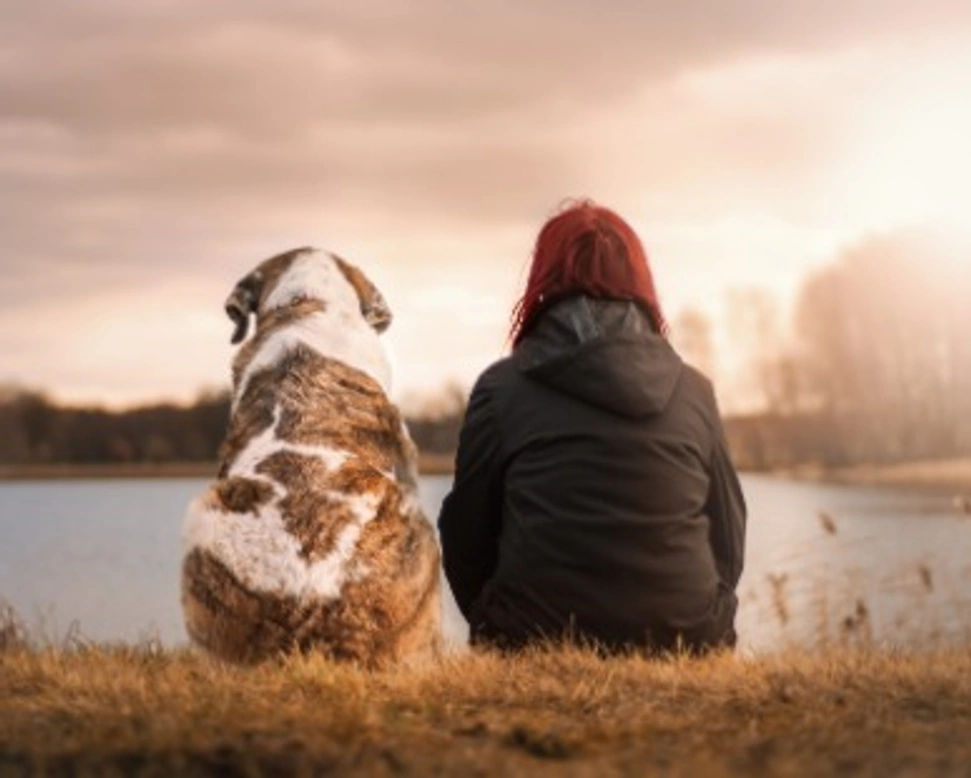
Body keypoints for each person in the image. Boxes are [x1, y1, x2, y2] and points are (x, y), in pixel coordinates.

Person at [437, 200, 746, 654]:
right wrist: (705, 619)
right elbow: (729, 536)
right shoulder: (694, 391)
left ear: (543, 281)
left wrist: (493, 622)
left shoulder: (501, 390)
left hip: (531, 640)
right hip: (688, 640)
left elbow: (466, 534)